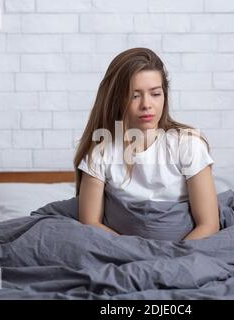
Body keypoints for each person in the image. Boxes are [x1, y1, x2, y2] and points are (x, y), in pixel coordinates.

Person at [73, 47, 220, 241]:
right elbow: (90, 222)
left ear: (164, 95)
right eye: (135, 95)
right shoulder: (101, 153)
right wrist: (138, 253)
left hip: (183, 252)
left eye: (155, 94)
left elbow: (209, 224)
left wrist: (172, 259)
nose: (146, 105)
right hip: (124, 252)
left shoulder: (188, 145)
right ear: (117, 99)